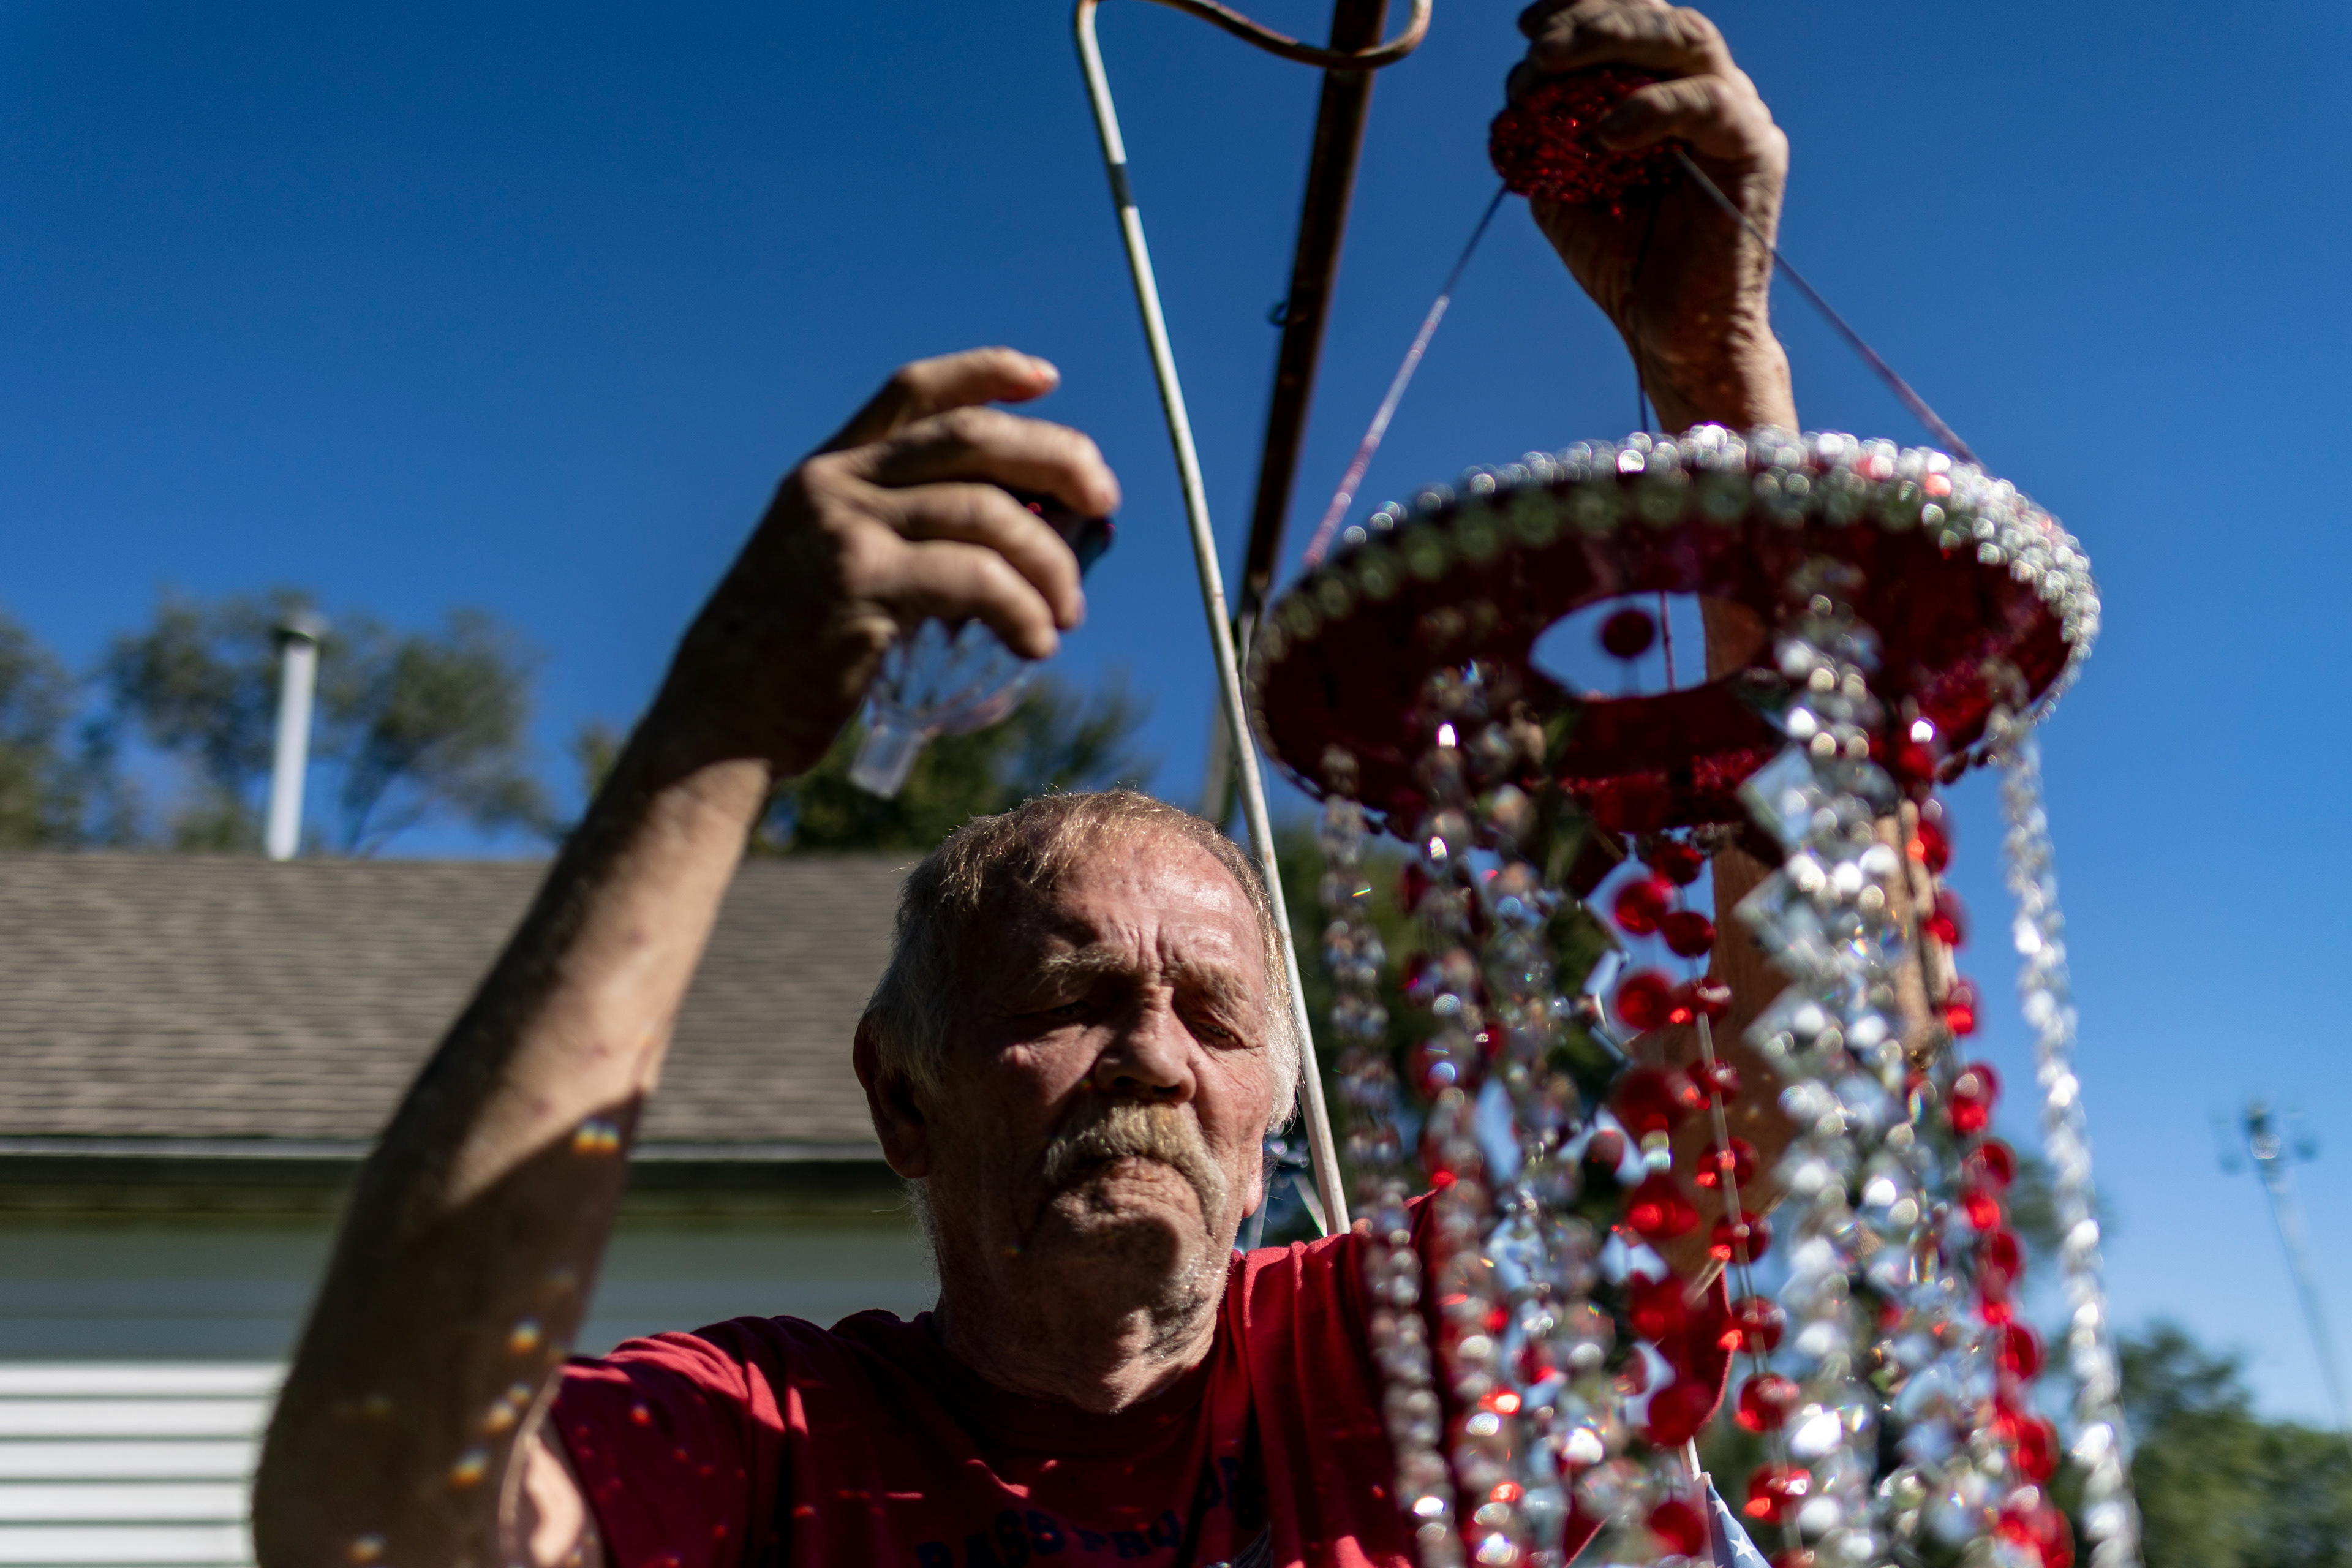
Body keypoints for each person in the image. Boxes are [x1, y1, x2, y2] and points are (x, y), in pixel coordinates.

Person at [252, 2, 1801, 1564]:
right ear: (900, 1096)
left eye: (1214, 1011)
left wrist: (1719, 383)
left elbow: (1764, 1099)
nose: (1148, 1053)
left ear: (1275, 1102)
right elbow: (375, 1516)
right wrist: (712, 730)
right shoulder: (770, 1432)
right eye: (1063, 998)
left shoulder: (1399, 1369)